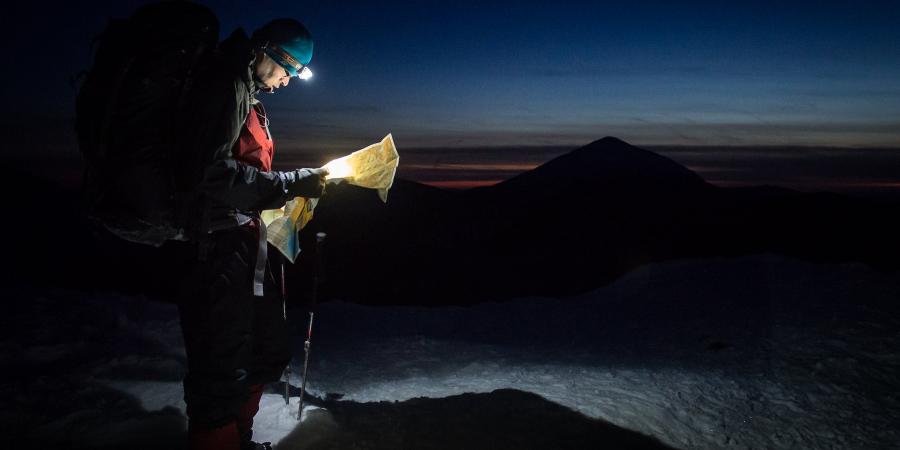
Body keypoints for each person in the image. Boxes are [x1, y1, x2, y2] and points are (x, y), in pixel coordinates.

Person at [173, 18, 327, 450]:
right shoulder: (223, 88)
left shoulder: (247, 96)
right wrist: (290, 182)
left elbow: (244, 171)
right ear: (265, 51)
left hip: (243, 243)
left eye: (294, 75)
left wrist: (288, 193)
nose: (286, 81)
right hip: (215, 247)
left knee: (265, 350)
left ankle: (238, 438)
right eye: (286, 70)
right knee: (222, 362)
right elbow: (210, 171)